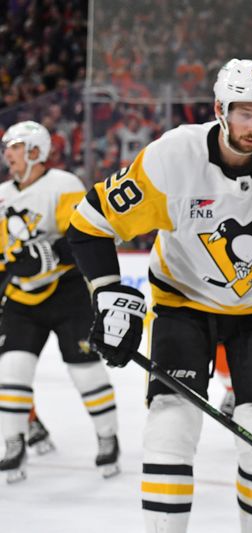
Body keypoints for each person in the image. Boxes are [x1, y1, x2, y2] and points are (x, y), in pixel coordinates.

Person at [66, 59, 252, 533]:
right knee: (171, 423)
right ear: (220, 109)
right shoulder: (172, 158)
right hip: (182, 304)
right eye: (244, 113)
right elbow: (88, 223)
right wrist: (108, 296)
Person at [0, 120, 121, 484]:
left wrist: (48, 255)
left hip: (67, 295)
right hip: (21, 298)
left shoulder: (64, 184)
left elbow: (78, 237)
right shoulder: (3, 193)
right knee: (11, 373)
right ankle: (13, 442)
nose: (8, 153)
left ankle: (107, 436)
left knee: (85, 372)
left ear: (35, 150)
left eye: (14, 146)